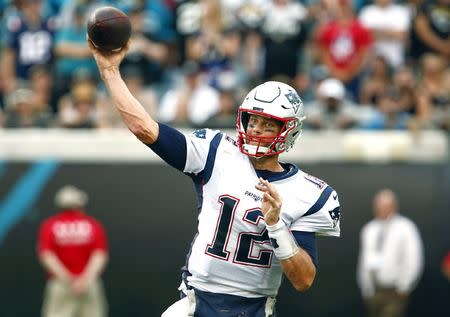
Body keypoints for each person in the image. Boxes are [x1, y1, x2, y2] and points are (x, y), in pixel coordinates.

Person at [88, 38, 341, 317]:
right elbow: (145, 129)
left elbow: (304, 280)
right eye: (252, 121)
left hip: (253, 309)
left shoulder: (309, 193)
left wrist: (276, 225)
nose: (255, 130)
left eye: (267, 124)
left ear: (288, 131)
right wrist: (110, 71)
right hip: (196, 302)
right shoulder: (217, 152)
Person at [37, 185, 108, 317]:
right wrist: (85, 279)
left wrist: (68, 279)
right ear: (78, 205)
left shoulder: (50, 225)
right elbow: (99, 255)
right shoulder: (92, 224)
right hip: (89, 283)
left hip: (60, 284)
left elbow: (47, 256)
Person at [357, 189, 423, 317]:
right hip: (374, 291)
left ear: (393, 206)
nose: (379, 209)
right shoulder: (369, 229)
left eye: (383, 205)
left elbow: (413, 259)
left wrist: (404, 286)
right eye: (377, 205)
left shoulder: (406, 227)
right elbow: (364, 260)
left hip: (394, 291)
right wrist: (366, 288)